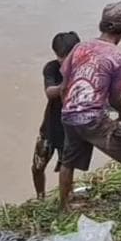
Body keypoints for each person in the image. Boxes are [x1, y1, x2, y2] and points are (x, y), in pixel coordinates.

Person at [57, 2, 121, 219]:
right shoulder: (120, 59)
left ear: (101, 24)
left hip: (68, 113)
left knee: (68, 161)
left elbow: (65, 84)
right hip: (92, 118)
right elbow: (113, 97)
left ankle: (64, 207)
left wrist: (71, 108)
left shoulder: (79, 48)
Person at [32, 31, 81, 199]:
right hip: (50, 128)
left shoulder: (84, 70)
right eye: (59, 56)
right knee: (38, 166)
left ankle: (67, 197)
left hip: (71, 131)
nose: (62, 60)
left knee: (67, 168)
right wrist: (66, 83)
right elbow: (49, 92)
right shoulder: (52, 68)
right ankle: (40, 197)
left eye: (66, 56)